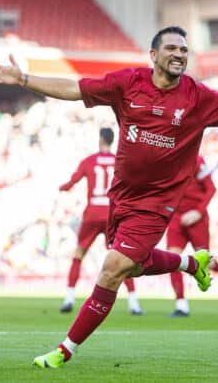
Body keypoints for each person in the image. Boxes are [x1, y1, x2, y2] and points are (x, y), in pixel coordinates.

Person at [0, 25, 218, 369]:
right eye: (172, 49)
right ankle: (192, 264)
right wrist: (23, 80)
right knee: (135, 265)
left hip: (157, 204)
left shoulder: (198, 97)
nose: (179, 54)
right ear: (154, 54)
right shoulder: (127, 83)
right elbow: (76, 88)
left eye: (184, 50)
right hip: (121, 198)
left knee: (112, 269)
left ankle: (65, 350)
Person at [58, 127, 143, 315]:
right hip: (112, 213)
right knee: (123, 258)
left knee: (79, 254)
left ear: (100, 139)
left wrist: (62, 188)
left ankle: (69, 298)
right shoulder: (119, 160)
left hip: (91, 214)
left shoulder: (89, 161)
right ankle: (134, 303)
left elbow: (72, 183)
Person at [166, 155, 218, 318]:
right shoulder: (168, 159)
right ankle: (181, 305)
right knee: (172, 259)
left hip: (197, 219)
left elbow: (211, 188)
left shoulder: (197, 161)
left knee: (206, 261)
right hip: (176, 218)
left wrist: (197, 212)